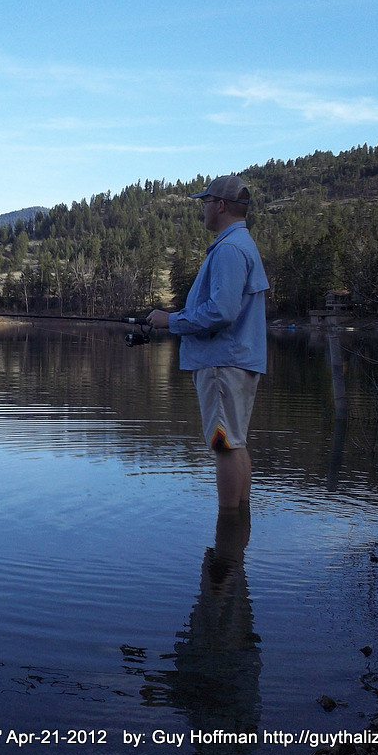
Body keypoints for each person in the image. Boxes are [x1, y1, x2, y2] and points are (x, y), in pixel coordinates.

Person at [147, 175, 268, 513]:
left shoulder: (229, 249)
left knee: (224, 444)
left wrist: (170, 321)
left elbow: (222, 311)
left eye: (205, 202)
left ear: (221, 205)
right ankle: (236, 536)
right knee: (235, 442)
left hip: (222, 362)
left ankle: (228, 528)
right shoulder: (242, 244)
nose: (202, 209)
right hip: (238, 360)